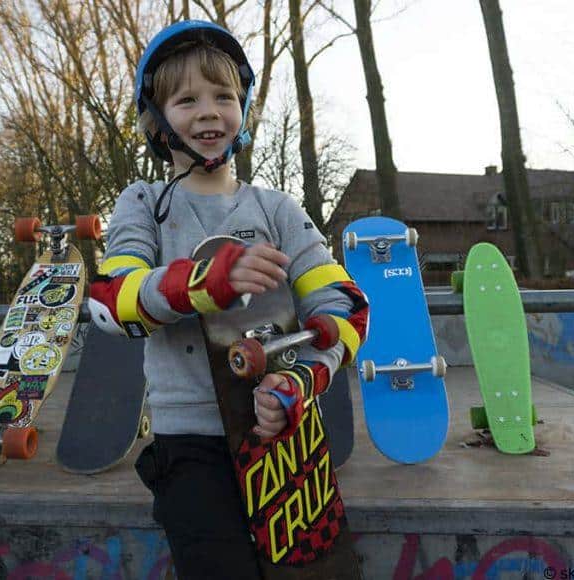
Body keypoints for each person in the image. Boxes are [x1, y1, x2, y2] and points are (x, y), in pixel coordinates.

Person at [88, 20, 369, 579]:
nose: (209, 112)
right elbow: (110, 303)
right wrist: (206, 281)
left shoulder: (277, 209)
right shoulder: (143, 204)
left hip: (282, 431)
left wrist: (301, 381)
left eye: (224, 96)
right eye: (187, 100)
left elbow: (345, 307)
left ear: (243, 108)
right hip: (189, 443)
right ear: (156, 118)